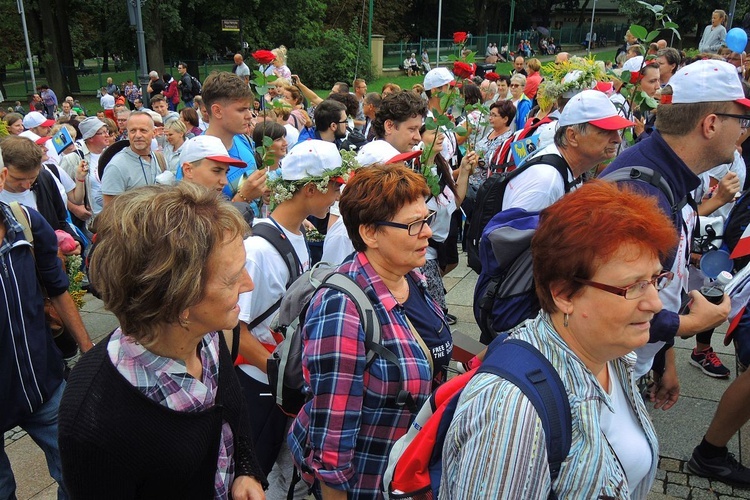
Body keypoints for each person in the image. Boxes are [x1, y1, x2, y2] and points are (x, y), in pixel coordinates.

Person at [441, 180, 676, 499]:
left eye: (655, 280)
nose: (656, 303)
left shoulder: (611, 353)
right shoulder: (513, 413)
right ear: (564, 294)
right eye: (633, 286)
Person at [58, 182, 267, 498]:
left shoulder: (208, 335)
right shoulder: (94, 420)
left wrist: (246, 470)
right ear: (177, 298)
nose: (248, 284)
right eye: (232, 277)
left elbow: (232, 406)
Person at [289, 163, 451, 499]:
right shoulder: (342, 308)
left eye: (427, 219)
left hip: (407, 471)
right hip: (369, 482)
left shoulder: (411, 277)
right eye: (413, 225)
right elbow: (331, 439)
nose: (427, 233)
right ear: (370, 233)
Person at [600, 59, 741, 414]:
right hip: (602, 372)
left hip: (629, 359)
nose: (742, 131)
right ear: (710, 124)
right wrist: (691, 324)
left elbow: (658, 288)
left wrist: (665, 362)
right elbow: (609, 306)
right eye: (740, 120)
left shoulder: (670, 174)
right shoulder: (642, 194)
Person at [236, 140, 348, 496]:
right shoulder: (257, 250)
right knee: (257, 474)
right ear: (312, 188)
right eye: (334, 187)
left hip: (281, 383)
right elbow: (232, 328)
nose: (336, 196)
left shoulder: (298, 232)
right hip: (260, 385)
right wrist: (277, 373)